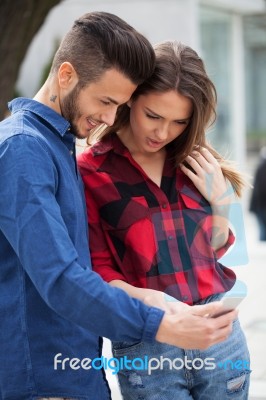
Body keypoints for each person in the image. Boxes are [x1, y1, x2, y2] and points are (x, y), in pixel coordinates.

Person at [0, 12, 237, 399]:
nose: (109, 118)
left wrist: (222, 206)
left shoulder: (54, 146)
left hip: (78, 375)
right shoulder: (24, 148)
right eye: (106, 101)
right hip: (46, 382)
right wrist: (160, 323)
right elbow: (61, 278)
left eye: (120, 105)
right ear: (66, 76)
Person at [78, 40, 250, 399]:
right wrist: (154, 302)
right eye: (153, 116)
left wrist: (221, 204)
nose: (163, 133)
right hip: (149, 343)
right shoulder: (91, 173)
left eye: (178, 122)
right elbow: (97, 271)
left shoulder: (196, 162)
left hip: (220, 339)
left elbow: (215, 254)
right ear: (131, 100)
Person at [249, 146, 266, 240]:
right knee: (263, 233)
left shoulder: (261, 165)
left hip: (259, 207)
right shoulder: (263, 166)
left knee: (263, 232)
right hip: (262, 206)